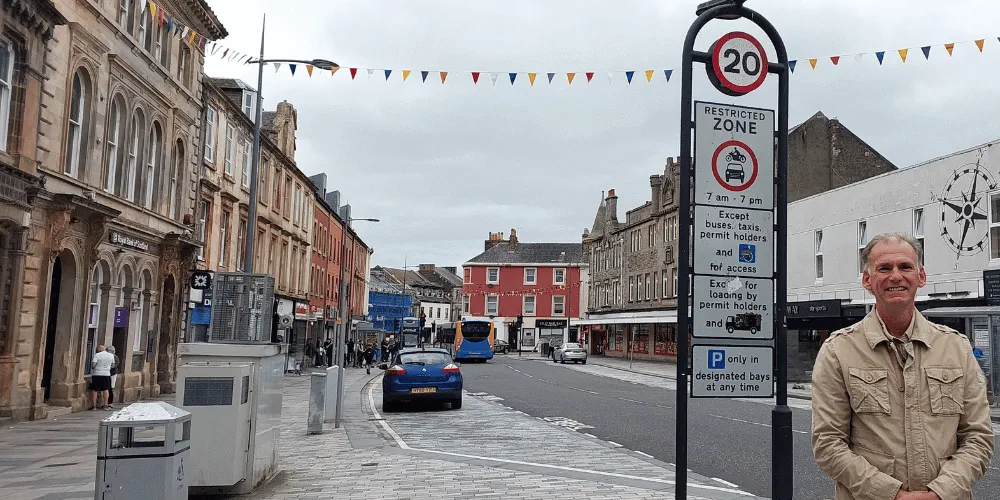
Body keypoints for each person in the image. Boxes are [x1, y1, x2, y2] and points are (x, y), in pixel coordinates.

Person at [811, 233, 994, 499]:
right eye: (884, 268)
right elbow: (828, 444)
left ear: (921, 276)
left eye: (905, 266)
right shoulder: (838, 351)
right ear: (867, 280)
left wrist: (939, 493)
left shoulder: (956, 348)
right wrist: (892, 495)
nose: (895, 276)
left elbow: (978, 437)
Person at [90, 345, 115, 410]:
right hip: (106, 374)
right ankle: (105, 405)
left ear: (98, 350)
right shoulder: (111, 355)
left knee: (95, 390)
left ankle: (94, 406)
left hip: (97, 374)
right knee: (106, 389)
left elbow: (93, 365)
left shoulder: (97, 355)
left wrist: (96, 367)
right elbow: (113, 365)